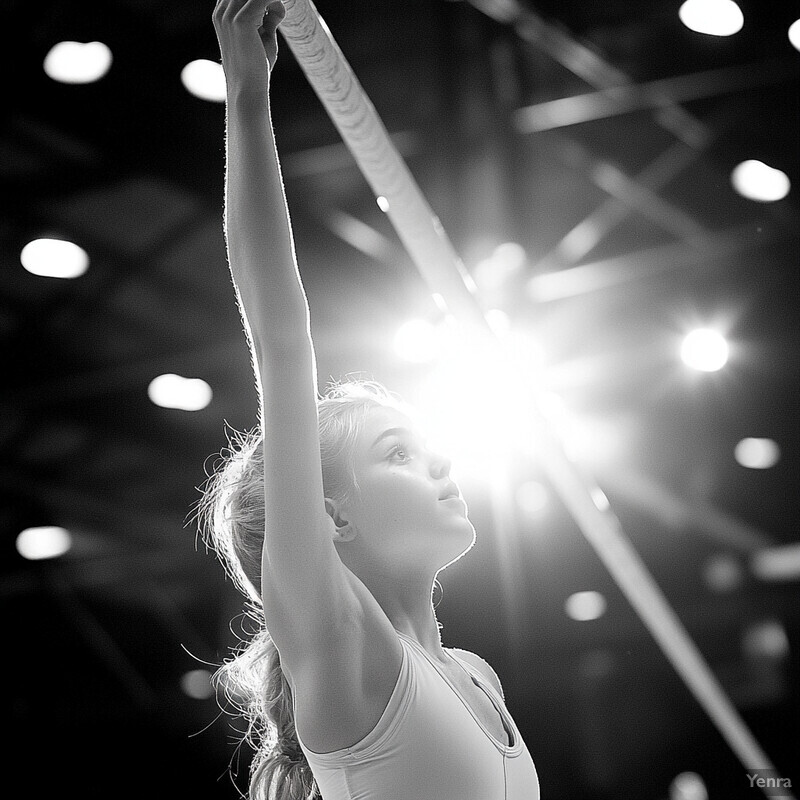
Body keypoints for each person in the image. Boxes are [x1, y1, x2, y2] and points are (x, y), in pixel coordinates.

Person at [200, 1, 540, 798]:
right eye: (398, 453)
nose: (441, 460)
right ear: (331, 516)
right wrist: (247, 93)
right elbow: (281, 340)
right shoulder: (343, 642)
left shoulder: (474, 675)